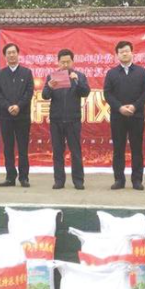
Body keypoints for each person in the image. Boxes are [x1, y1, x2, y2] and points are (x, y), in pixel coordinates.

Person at [103, 41, 145, 191]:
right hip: (118, 117)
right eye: (121, 51)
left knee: (137, 149)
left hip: (136, 116)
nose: (124, 53)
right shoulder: (111, 73)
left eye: (127, 51)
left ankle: (137, 180)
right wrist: (119, 107)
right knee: (118, 149)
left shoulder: (141, 72)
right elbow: (107, 93)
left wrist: (135, 106)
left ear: (132, 53)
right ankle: (119, 180)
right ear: (117, 55)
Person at [42, 49, 91, 190]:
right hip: (56, 120)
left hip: (73, 120)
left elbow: (85, 92)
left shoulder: (79, 76)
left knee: (76, 152)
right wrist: (49, 87)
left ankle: (78, 181)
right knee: (57, 152)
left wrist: (77, 81)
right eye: (62, 62)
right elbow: (45, 96)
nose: (65, 64)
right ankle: (59, 181)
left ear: (72, 62)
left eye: (67, 62)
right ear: (58, 62)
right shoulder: (52, 77)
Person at [0, 43, 34, 188]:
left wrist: (18, 106)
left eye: (13, 52)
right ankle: (10, 177)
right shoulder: (0, 74)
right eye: (8, 53)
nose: (11, 55)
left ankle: (24, 177)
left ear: (18, 54)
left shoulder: (26, 73)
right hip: (6, 116)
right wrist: (8, 106)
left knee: (23, 148)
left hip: (22, 116)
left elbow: (29, 92)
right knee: (8, 148)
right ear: (5, 56)